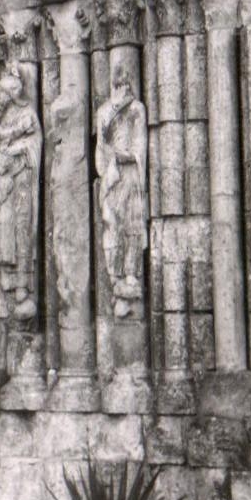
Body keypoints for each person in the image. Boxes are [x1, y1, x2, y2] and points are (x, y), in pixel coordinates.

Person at [0, 67, 42, 320]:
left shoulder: (27, 114)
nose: (0, 96)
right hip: (4, 183)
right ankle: (9, 281)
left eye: (4, 91)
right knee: (3, 230)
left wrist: (16, 148)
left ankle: (23, 284)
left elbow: (34, 144)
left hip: (22, 181)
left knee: (22, 229)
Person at [95, 66, 148, 315]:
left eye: (124, 84)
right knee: (110, 224)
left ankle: (130, 276)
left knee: (131, 224)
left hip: (129, 175)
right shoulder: (104, 111)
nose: (120, 87)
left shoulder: (136, 109)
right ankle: (114, 278)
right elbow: (101, 145)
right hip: (111, 175)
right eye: (116, 84)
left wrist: (125, 155)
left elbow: (139, 146)